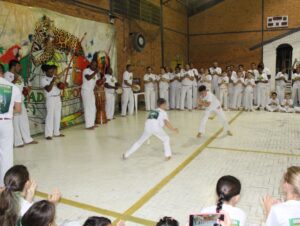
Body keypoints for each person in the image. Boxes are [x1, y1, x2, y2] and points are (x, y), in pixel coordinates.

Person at [4, 60, 37, 147]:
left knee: (24, 121)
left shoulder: (20, 76)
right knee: (15, 122)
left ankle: (27, 139)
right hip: (12, 102)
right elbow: (8, 87)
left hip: (20, 101)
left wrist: (27, 90)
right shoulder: (7, 75)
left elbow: (21, 88)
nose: (20, 68)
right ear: (14, 66)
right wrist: (15, 78)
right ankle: (18, 142)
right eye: (19, 66)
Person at [0, 63, 22, 186]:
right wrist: (7, 112)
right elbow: (18, 109)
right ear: (2, 73)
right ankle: (5, 184)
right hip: (6, 123)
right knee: (6, 154)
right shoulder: (13, 87)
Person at [41, 64, 65, 139]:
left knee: (57, 115)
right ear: (46, 72)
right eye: (50, 71)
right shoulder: (43, 79)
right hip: (50, 99)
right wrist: (52, 81)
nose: (52, 73)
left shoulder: (55, 77)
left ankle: (56, 132)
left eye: (53, 71)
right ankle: (48, 134)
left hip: (58, 98)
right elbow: (48, 89)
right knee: (50, 116)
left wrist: (63, 85)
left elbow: (60, 81)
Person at [81, 61, 99, 129]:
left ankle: (92, 123)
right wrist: (95, 72)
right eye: (93, 65)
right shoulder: (86, 70)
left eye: (95, 65)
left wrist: (102, 81)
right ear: (90, 65)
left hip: (91, 92)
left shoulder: (95, 73)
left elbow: (96, 83)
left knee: (93, 108)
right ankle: (88, 125)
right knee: (88, 108)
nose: (94, 66)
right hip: (85, 91)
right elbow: (88, 78)